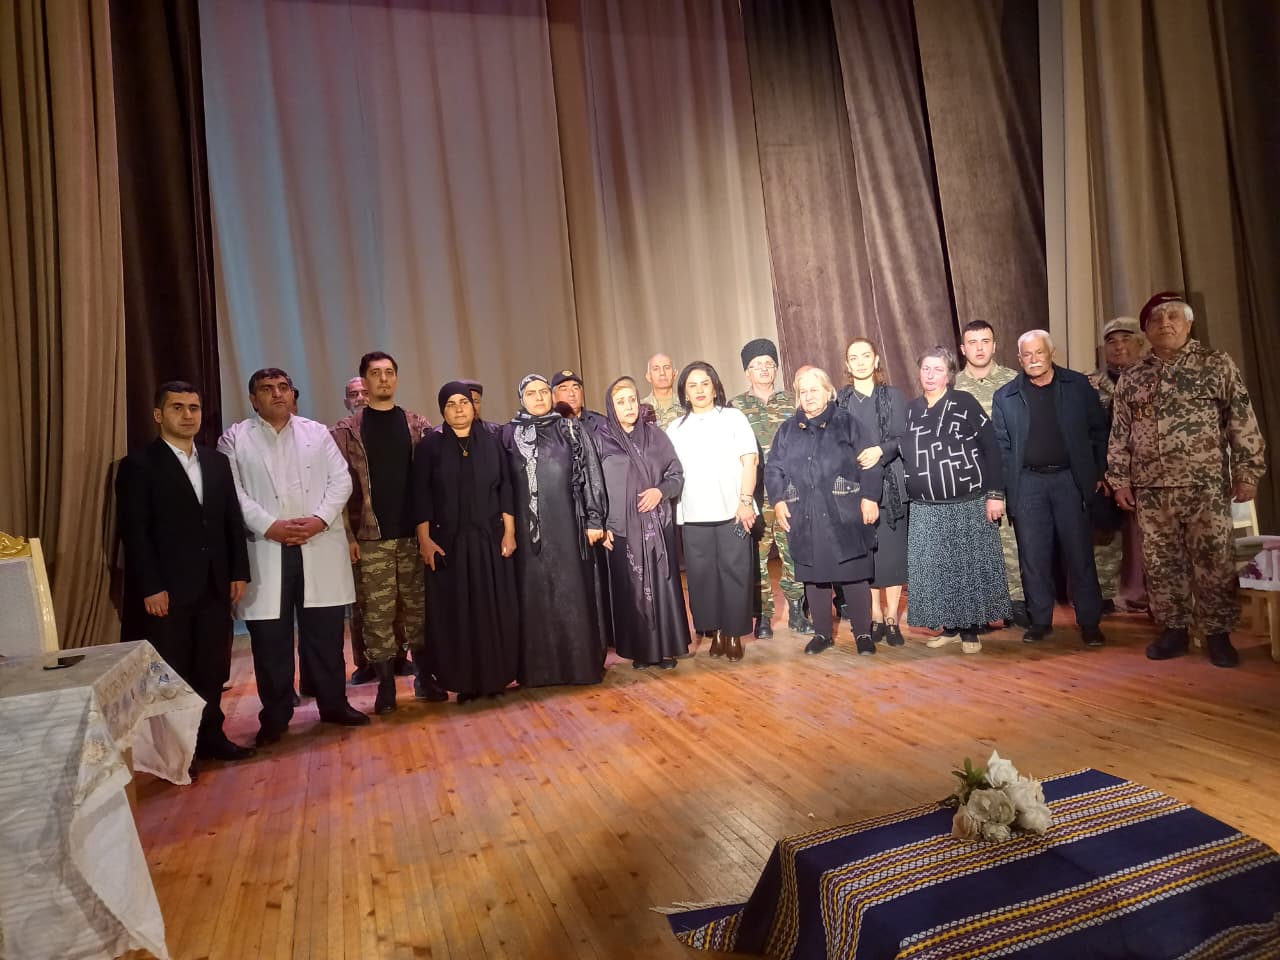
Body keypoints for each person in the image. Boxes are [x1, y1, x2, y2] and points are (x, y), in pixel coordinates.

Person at [1108, 292, 1267, 667]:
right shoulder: (1133, 377)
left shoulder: (1215, 364)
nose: (1165, 324)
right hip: (1152, 490)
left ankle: (1218, 635)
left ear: (1189, 324)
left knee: (1214, 562)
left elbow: (1241, 420)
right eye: (1156, 319)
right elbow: (1120, 433)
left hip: (1205, 485)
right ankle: (1174, 631)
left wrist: (1247, 472)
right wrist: (1119, 479)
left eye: (1174, 317)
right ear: (1146, 330)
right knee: (1162, 564)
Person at [219, 368, 369, 744]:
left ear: (292, 394)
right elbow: (232, 491)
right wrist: (269, 525)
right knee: (271, 640)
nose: (277, 394)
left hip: (317, 544)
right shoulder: (235, 438)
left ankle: (334, 704)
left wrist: (319, 520)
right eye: (267, 389)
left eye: (283, 387)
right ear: (253, 399)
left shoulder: (316, 432)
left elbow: (341, 481)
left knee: (326, 635)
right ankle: (275, 714)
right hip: (266, 548)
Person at [117, 381, 255, 772]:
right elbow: (135, 532)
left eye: (193, 407)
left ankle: (212, 736)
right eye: (177, 407)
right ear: (158, 414)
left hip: (214, 583)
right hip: (168, 589)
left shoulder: (215, 462)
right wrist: (151, 586)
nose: (187, 415)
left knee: (211, 666)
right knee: (173, 671)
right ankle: (180, 752)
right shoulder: (139, 466)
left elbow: (231, 521)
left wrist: (238, 571)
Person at [330, 351, 443, 715]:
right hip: (371, 538)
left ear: (396, 378)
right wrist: (348, 537)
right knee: (377, 614)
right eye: (376, 373)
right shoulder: (346, 432)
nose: (383, 379)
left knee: (418, 611)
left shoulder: (416, 424)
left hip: (414, 535)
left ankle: (425, 678)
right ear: (364, 380)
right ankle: (386, 688)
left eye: (389, 372)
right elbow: (337, 488)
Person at [992, 331, 1109, 647]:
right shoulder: (1005, 396)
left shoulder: (1077, 386)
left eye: (1039, 352)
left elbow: (1099, 431)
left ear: (1051, 353)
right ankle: (1040, 621)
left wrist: (1098, 472)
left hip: (1070, 480)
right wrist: (1004, 490)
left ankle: (1090, 623)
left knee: (1080, 554)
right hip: (1027, 484)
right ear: (1019, 359)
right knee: (1033, 557)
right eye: (1027, 355)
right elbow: (1002, 448)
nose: (1033, 359)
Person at [502, 374, 609, 686]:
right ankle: (539, 672)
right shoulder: (509, 434)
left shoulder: (570, 428)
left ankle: (579, 667)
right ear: (521, 398)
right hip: (528, 532)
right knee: (534, 597)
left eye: (543, 392)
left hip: (568, 525)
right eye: (531, 393)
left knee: (572, 593)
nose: (538, 398)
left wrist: (594, 518)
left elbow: (590, 472)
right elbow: (502, 484)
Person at [415, 383, 519, 701]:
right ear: (442, 410)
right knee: (457, 614)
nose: (459, 408)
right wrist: (424, 540)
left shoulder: (492, 442)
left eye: (464, 402)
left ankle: (495, 678)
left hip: (489, 540)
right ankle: (465, 683)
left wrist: (510, 533)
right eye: (451, 404)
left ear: (474, 407)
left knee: (493, 610)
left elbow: (505, 488)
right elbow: (421, 495)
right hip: (449, 545)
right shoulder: (430, 447)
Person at [902, 347, 1011, 653]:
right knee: (937, 570)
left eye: (938, 369)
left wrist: (995, 494)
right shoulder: (911, 410)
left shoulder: (964, 403)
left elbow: (992, 448)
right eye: (926, 369)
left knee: (966, 569)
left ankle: (970, 631)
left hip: (967, 502)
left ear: (949, 374)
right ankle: (949, 627)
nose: (930, 375)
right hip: (926, 507)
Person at [767, 366, 882, 655]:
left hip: (845, 512)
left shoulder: (847, 422)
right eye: (803, 391)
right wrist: (778, 500)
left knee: (854, 574)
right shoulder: (787, 430)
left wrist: (870, 497)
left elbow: (870, 461)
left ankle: (863, 634)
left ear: (828, 392)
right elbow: (774, 468)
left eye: (814, 390)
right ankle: (822, 634)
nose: (808, 396)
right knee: (814, 576)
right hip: (804, 513)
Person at [597, 376, 690, 669]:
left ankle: (665, 649)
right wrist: (602, 524)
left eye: (632, 400)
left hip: (655, 527)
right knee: (630, 589)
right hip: (620, 529)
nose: (628, 407)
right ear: (611, 407)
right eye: (621, 402)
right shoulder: (601, 440)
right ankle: (641, 651)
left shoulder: (656, 437)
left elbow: (676, 475)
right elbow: (594, 485)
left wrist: (659, 491)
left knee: (661, 587)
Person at [667, 361, 758, 661]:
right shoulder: (675, 428)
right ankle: (715, 630)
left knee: (736, 573)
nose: (699, 390)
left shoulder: (733, 418)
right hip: (694, 515)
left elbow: (749, 461)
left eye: (705, 383)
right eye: (692, 385)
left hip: (734, 512)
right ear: (684, 393)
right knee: (701, 578)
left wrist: (745, 501)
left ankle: (734, 634)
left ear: (715, 387)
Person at [730, 338, 810, 638]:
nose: (763, 369)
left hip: (790, 494)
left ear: (775, 369)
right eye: (756, 365)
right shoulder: (736, 407)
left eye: (769, 364)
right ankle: (762, 616)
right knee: (757, 558)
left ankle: (797, 611)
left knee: (794, 553)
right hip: (755, 495)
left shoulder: (793, 401)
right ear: (747, 372)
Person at [955, 320, 1028, 628]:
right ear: (963, 349)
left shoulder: (1014, 380)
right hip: (969, 476)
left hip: (1010, 474)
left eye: (985, 341)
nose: (980, 348)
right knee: (974, 543)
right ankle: (981, 606)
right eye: (973, 342)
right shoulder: (953, 385)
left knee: (1011, 540)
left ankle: (1016, 602)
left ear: (995, 345)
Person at [837, 338, 909, 646]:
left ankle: (891, 617)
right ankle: (875, 616)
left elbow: (904, 437)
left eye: (866, 355)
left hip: (890, 486)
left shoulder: (893, 396)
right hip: (855, 486)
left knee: (891, 555)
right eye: (854, 357)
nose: (861, 362)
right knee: (867, 556)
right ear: (847, 364)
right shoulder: (840, 401)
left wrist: (880, 450)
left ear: (876, 360)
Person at [1088, 317, 1149, 613]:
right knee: (1106, 535)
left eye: (1126, 339)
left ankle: (1150, 594)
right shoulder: (1091, 385)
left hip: (1148, 471)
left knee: (1148, 538)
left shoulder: (1154, 378)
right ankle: (1107, 594)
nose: (1119, 346)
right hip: (1107, 472)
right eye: (1111, 341)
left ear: (1141, 342)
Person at [550, 369, 610, 437]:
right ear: (553, 397)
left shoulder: (602, 423)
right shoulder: (547, 427)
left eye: (575, 388)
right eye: (564, 389)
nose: (571, 394)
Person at [640, 353, 684, 429]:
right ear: (648, 376)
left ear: (675, 374)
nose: (662, 373)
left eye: (667, 368)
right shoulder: (640, 409)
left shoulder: (687, 405)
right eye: (656, 369)